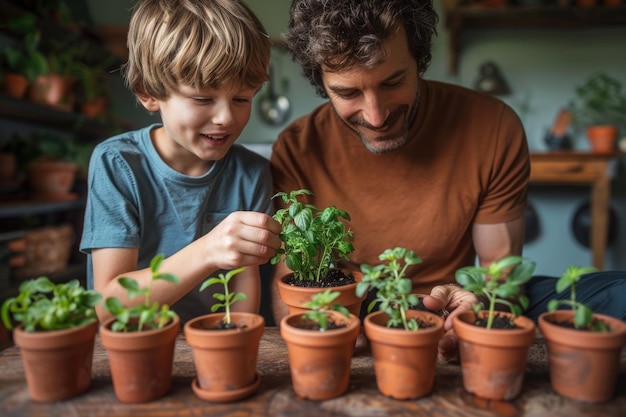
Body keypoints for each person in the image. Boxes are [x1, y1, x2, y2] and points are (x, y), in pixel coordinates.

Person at [270, 0, 626, 360]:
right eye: (348, 93)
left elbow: (499, 274)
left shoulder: (492, 126)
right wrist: (334, 334)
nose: (376, 116)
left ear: (419, 59)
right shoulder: (299, 148)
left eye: (393, 82)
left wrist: (478, 308)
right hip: (362, 305)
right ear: (322, 82)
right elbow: (293, 291)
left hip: (457, 296)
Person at [80, 0, 282, 325]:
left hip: (217, 346)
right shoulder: (117, 163)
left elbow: (244, 300)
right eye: (203, 98)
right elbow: (108, 306)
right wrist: (207, 251)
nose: (226, 117)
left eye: (242, 98)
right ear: (149, 93)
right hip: (140, 348)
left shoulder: (251, 173)